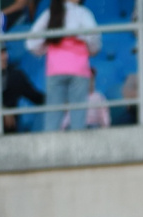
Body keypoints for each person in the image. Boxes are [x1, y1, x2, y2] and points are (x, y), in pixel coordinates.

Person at [26, 0, 100, 132]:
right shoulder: (83, 13)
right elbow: (95, 43)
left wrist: (47, 45)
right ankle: (77, 145)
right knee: (78, 118)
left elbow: (31, 43)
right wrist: (81, 40)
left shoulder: (49, 13)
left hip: (55, 69)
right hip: (79, 69)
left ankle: (51, 145)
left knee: (53, 117)